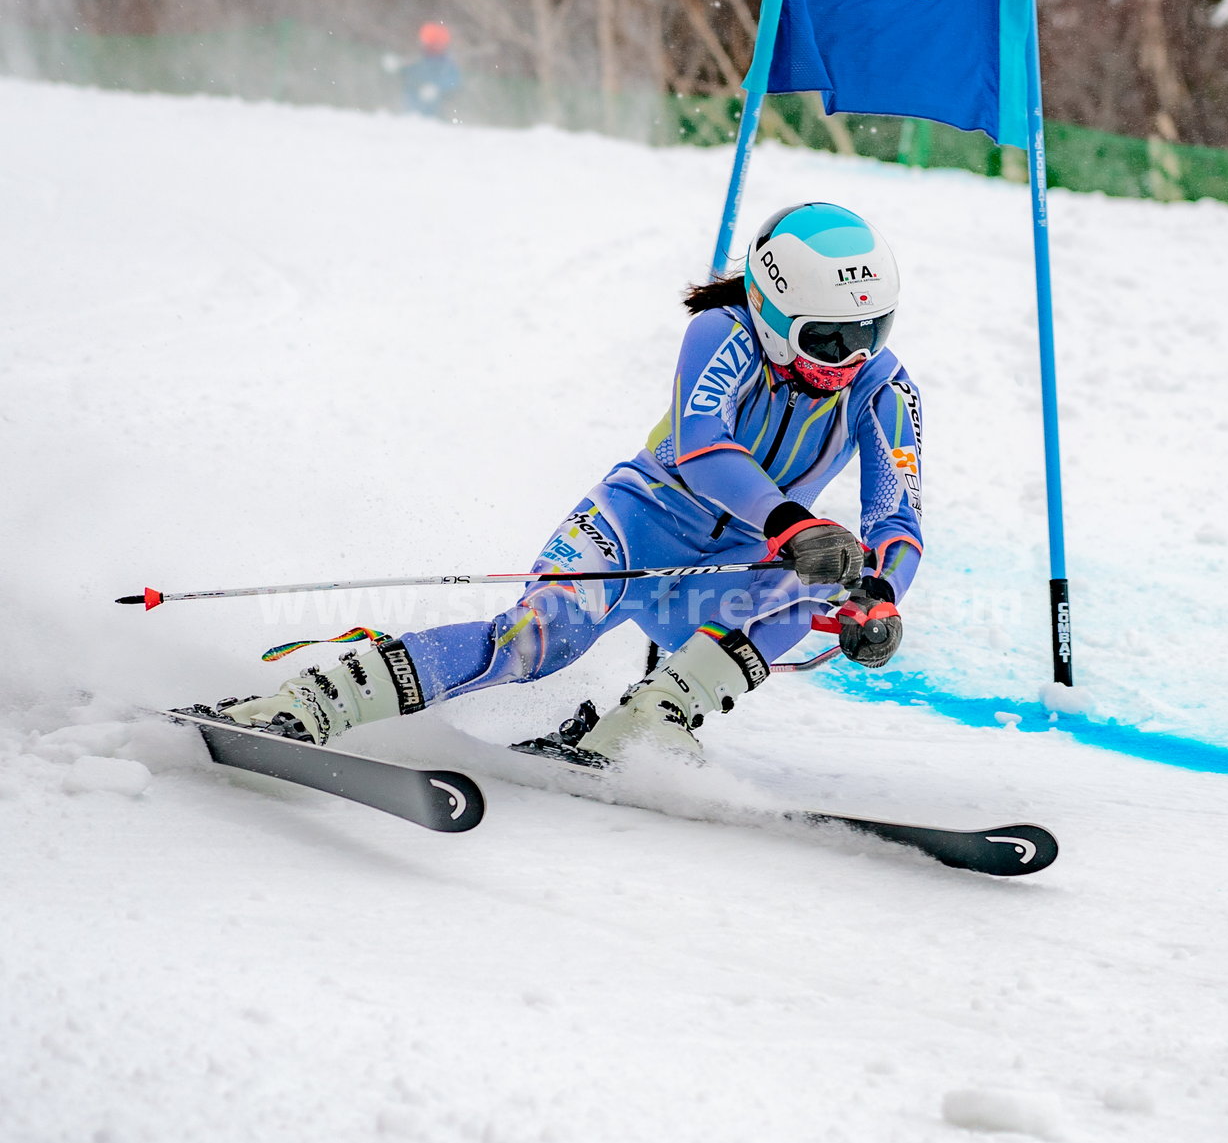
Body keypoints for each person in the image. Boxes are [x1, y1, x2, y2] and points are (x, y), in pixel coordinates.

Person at [206, 202, 923, 766]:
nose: (852, 357)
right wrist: (791, 524)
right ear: (771, 312)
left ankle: (646, 725)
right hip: (634, 530)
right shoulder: (722, 333)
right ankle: (315, 702)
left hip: (732, 569)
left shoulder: (885, 388)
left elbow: (898, 517)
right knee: (530, 645)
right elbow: (704, 446)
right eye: (826, 338)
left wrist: (879, 598)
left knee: (833, 576)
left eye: (873, 331)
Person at [401, 21, 461, 118]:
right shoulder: (417, 60)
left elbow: (454, 82)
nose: (432, 48)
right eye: (429, 45)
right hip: (411, 112)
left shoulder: (448, 64)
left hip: (438, 114)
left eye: (435, 45)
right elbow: (408, 77)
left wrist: (436, 88)